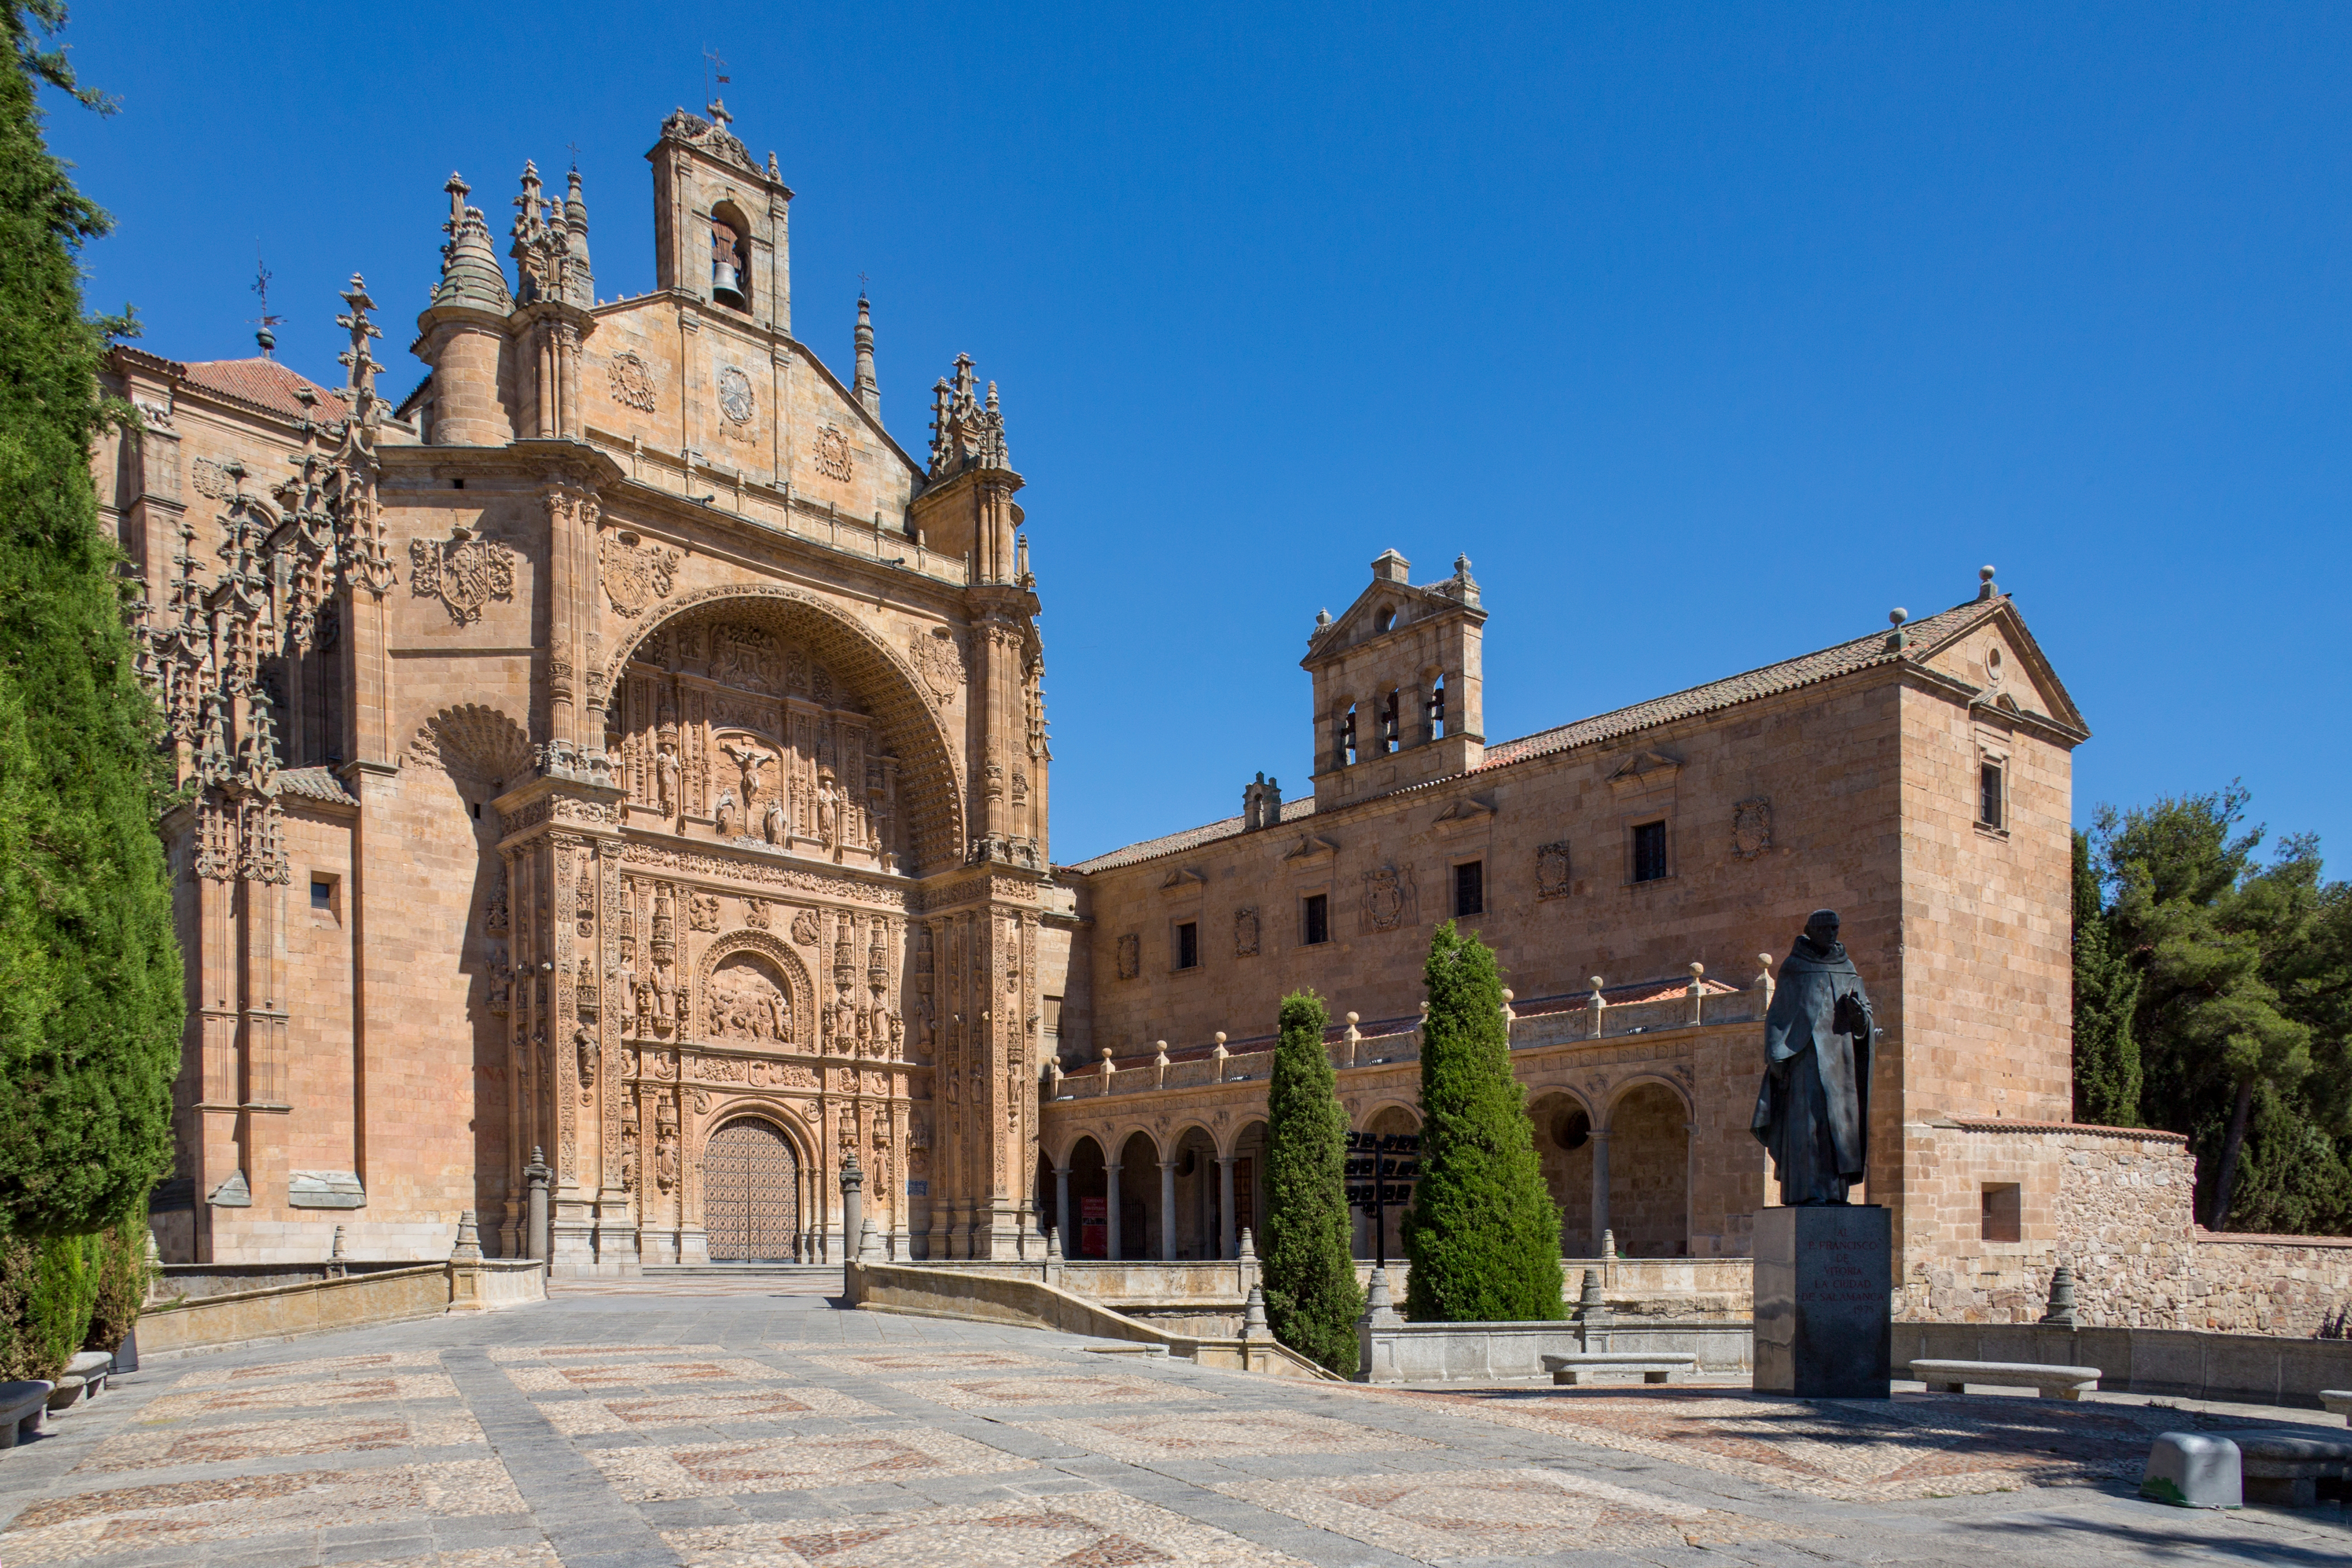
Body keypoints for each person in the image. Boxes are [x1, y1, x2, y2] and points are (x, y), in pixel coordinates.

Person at [1752, 909, 1875, 1205]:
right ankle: (1807, 1193)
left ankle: (1835, 1194)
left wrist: (1861, 1019)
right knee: (1807, 1124)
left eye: (1835, 928)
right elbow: (1778, 1014)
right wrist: (1776, 1055)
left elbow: (1866, 1012)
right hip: (1803, 1055)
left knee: (1839, 1128)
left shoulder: (1848, 967)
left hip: (1841, 1061)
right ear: (1810, 930)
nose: (1831, 934)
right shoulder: (1795, 966)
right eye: (1824, 929)